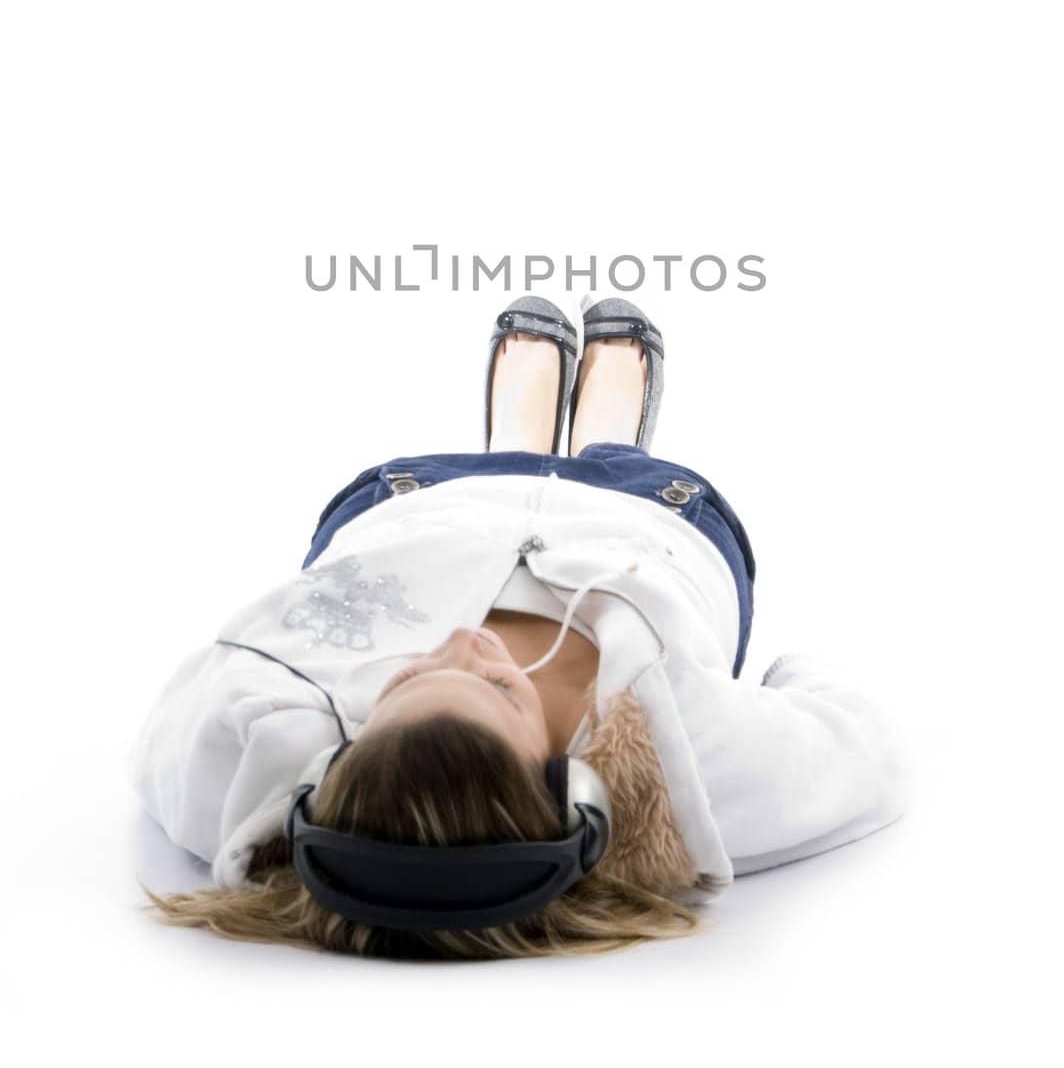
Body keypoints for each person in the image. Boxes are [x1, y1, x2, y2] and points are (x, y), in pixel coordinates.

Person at [129, 291, 911, 961]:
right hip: (643, 518)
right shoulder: (688, 769)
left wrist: (265, 819)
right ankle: (605, 427)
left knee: (494, 458)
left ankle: (516, 432)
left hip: (425, 505)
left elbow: (171, 744)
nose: (464, 648)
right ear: (570, 790)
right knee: (613, 457)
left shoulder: (264, 758)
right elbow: (864, 750)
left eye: (407, 677)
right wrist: (792, 680)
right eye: (499, 688)